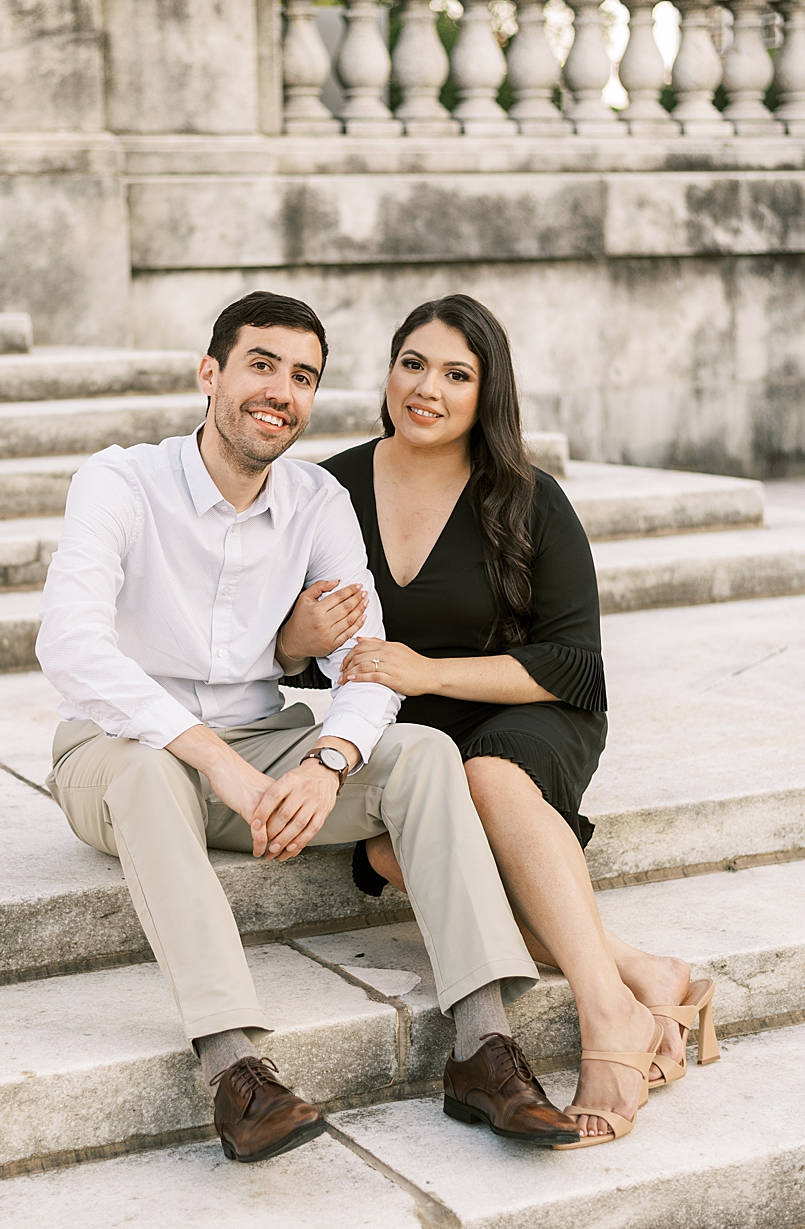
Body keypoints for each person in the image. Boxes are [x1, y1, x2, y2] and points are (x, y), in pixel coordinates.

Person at [36, 290, 579, 1164]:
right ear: (210, 374)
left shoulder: (318, 500)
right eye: (260, 365)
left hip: (265, 748)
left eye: (302, 377)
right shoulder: (121, 482)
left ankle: (483, 1050)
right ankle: (234, 1071)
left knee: (423, 752)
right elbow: (70, 645)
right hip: (117, 754)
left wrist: (329, 759)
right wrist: (215, 760)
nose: (279, 392)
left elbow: (365, 660)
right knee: (150, 768)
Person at [274, 294, 714, 1148]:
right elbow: (282, 652)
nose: (427, 389)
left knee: (489, 776)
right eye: (413, 364)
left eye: (456, 374)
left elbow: (576, 664)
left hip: (530, 712)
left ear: (487, 393)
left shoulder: (530, 499)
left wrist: (429, 670)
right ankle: (642, 969)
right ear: (389, 370)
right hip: (411, 732)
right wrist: (297, 639)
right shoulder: (327, 490)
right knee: (388, 854)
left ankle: (607, 1012)